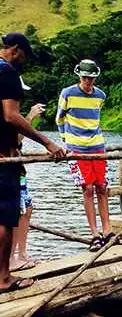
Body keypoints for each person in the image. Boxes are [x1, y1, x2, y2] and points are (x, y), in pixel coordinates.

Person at [1, 32, 66, 294]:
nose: (25, 61)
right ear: (16, 50)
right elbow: (10, 115)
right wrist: (48, 142)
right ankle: (4, 278)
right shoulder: (7, 74)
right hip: (4, 158)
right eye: (25, 56)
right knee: (5, 218)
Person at [55, 59, 122, 251]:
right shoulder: (67, 93)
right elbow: (59, 118)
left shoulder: (100, 95)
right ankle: (94, 234)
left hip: (97, 145)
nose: (88, 81)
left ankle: (108, 230)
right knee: (87, 189)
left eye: (91, 78)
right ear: (79, 76)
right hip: (76, 147)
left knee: (102, 186)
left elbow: (96, 118)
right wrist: (65, 141)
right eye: (85, 77)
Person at [9, 101, 45, 272]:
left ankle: (21, 254)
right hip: (9, 170)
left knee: (27, 209)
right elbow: (16, 138)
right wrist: (30, 117)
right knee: (17, 211)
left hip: (18, 170)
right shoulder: (8, 115)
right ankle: (10, 259)